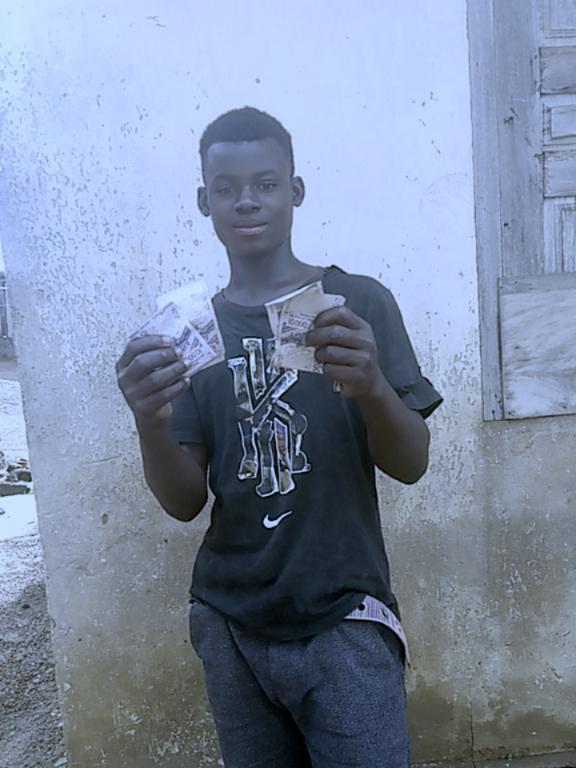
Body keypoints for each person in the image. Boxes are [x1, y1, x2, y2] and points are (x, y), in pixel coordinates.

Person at [116, 107, 442, 768]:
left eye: (265, 183)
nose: (247, 201)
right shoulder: (192, 335)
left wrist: (372, 387)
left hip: (345, 616)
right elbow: (183, 501)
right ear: (203, 201)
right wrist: (148, 422)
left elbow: (411, 463)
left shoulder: (355, 304)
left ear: (295, 191)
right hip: (231, 621)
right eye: (227, 187)